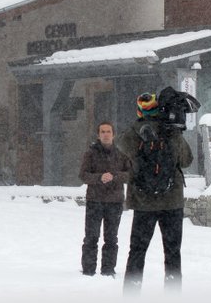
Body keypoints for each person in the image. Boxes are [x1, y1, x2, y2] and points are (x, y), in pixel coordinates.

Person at [115, 91, 194, 292]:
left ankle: (131, 295)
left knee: (137, 250)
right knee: (173, 251)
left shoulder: (134, 131)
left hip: (143, 202)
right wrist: (175, 133)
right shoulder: (172, 131)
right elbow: (187, 160)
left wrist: (139, 126)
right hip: (172, 202)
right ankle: (173, 296)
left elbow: (121, 145)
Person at [77, 121, 131, 277]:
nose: (106, 134)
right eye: (103, 132)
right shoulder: (90, 153)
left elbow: (130, 174)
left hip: (114, 202)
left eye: (108, 131)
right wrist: (99, 177)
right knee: (91, 237)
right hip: (95, 200)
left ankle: (108, 270)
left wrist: (114, 177)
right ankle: (88, 270)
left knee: (111, 238)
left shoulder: (121, 154)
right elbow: (83, 175)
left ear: (113, 134)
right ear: (98, 135)